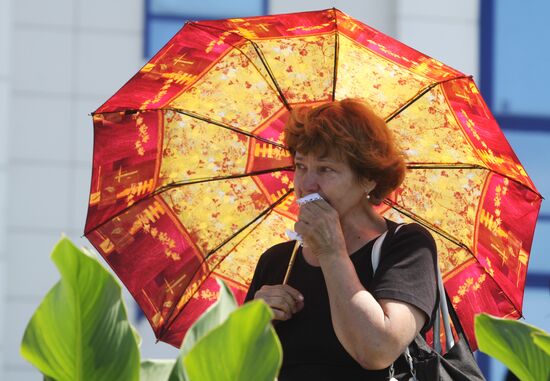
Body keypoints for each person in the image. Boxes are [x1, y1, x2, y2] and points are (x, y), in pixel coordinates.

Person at [245, 98, 438, 380]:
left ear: (368, 179)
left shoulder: (407, 244)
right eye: (301, 166)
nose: (306, 184)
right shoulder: (276, 261)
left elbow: (376, 350)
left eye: (326, 169)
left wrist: (332, 252)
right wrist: (252, 325)